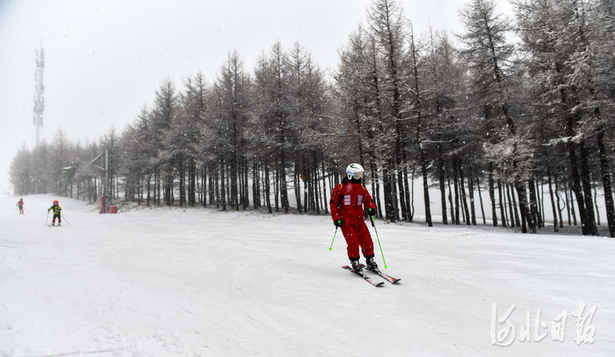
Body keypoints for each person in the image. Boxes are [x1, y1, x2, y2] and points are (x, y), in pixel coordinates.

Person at [329, 163, 379, 275]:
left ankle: (370, 260)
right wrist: (336, 218)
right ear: (350, 175)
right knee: (353, 243)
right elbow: (333, 204)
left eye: (360, 175)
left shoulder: (362, 189)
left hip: (359, 221)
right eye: (357, 175)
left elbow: (368, 200)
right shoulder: (340, 188)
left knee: (367, 241)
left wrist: (371, 208)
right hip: (346, 222)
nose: (359, 178)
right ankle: (355, 262)